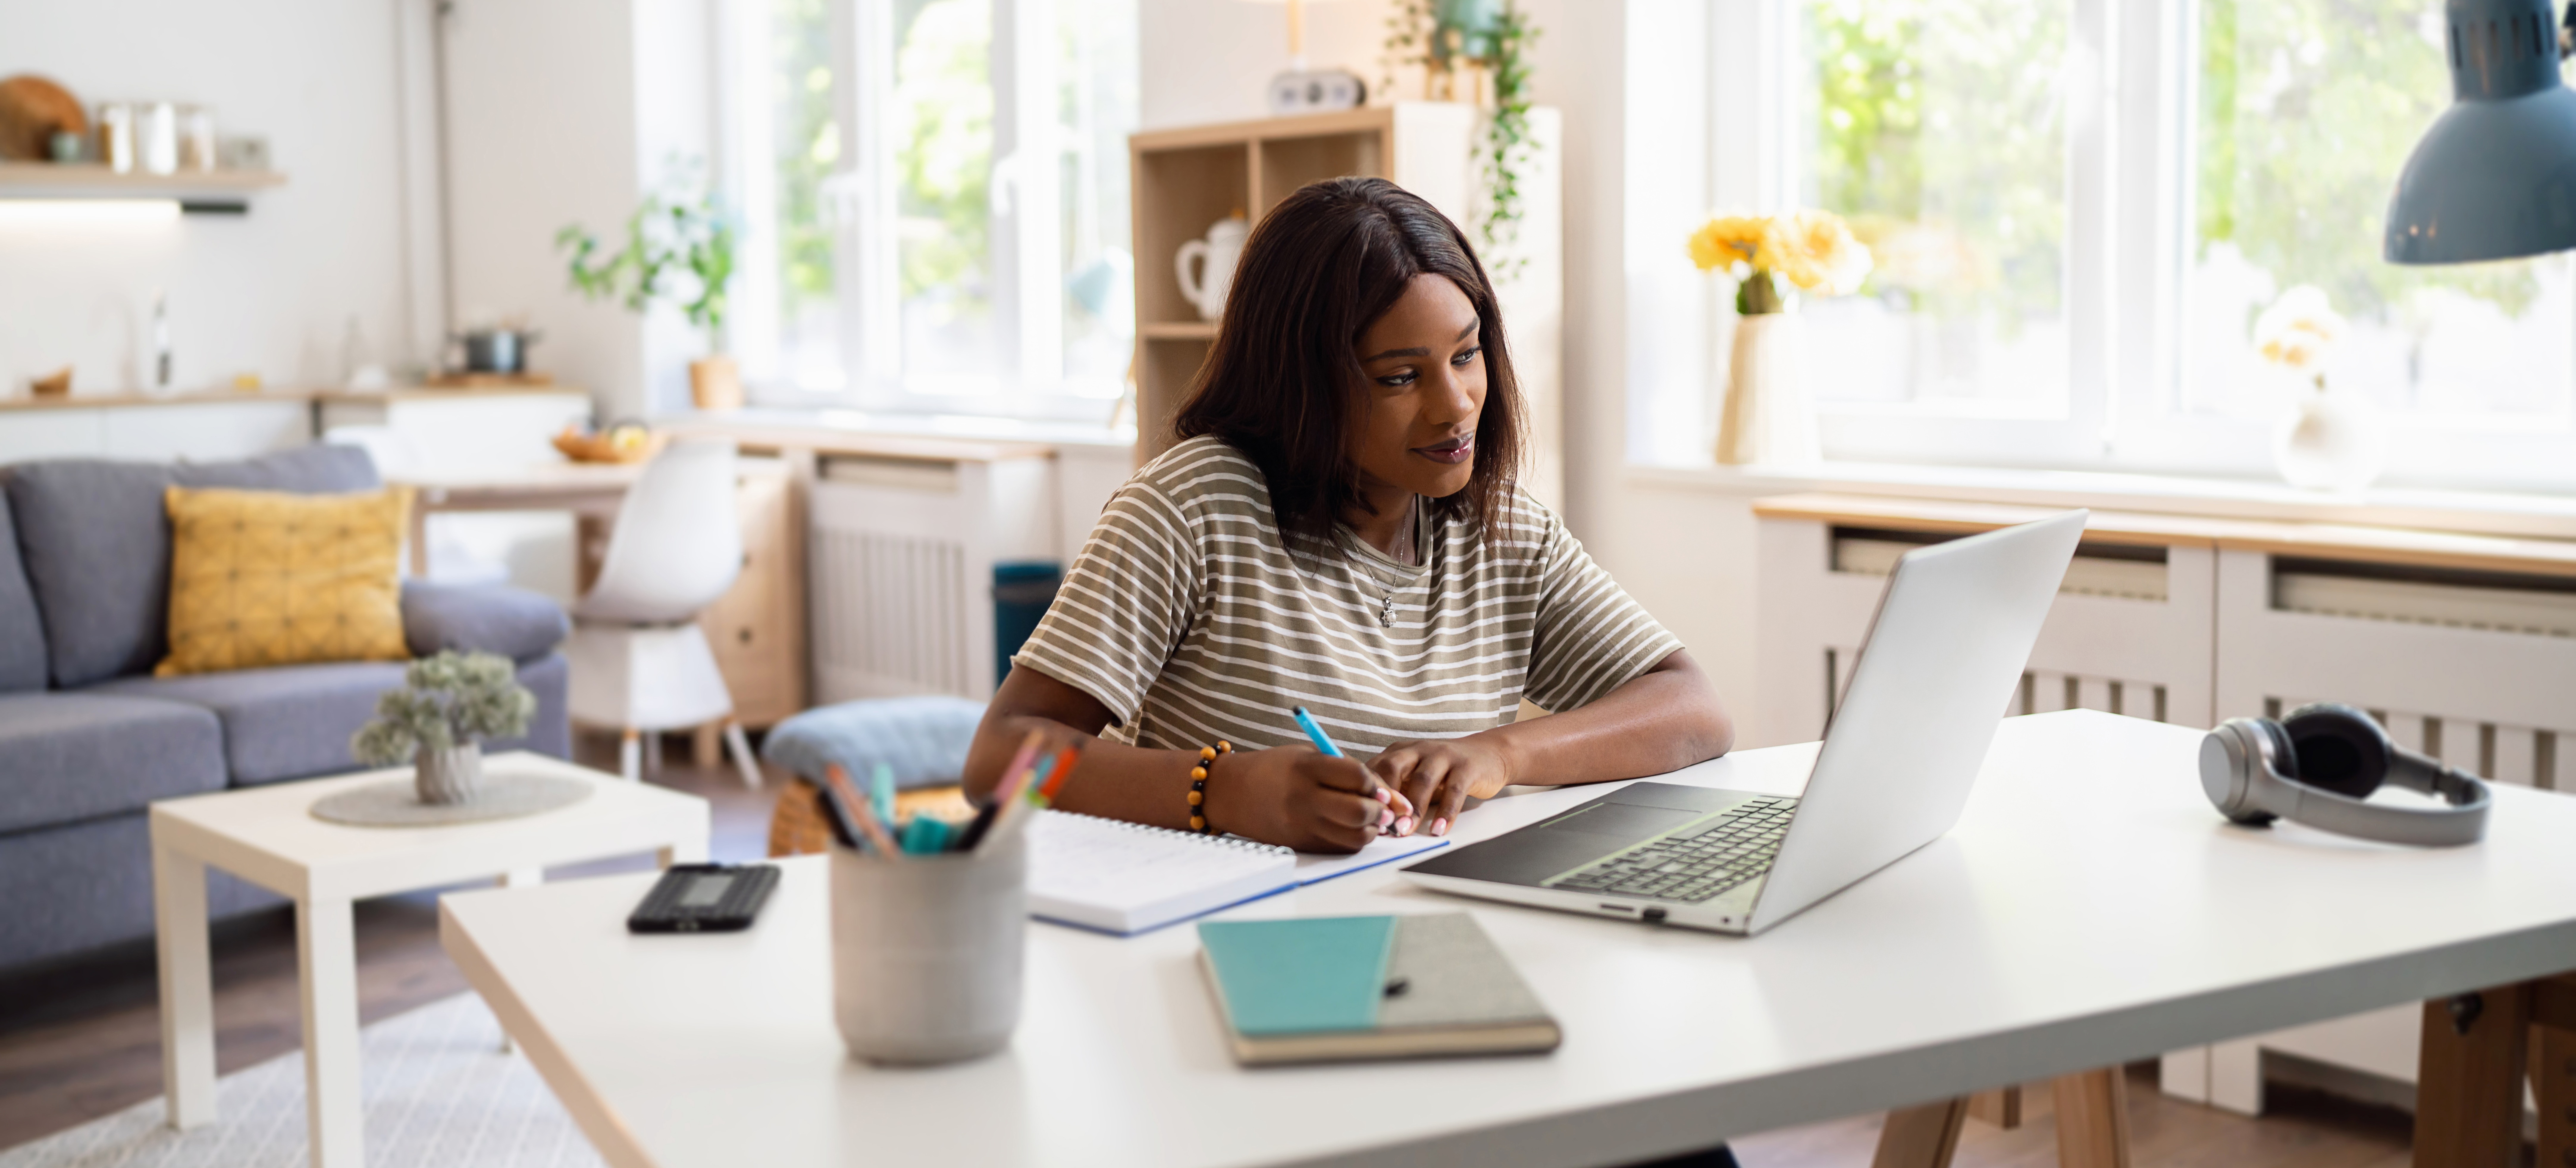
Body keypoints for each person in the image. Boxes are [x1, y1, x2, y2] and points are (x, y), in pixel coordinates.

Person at [963, 175, 1734, 852]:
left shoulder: (1503, 530)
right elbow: (1000, 760)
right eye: (1400, 377)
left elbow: (1694, 711)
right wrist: (1219, 791)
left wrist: (1500, 754)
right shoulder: (1190, 507)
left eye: (1465, 356)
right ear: (1302, 383)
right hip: (1216, 940)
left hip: (1429, 921)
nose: (1455, 405)